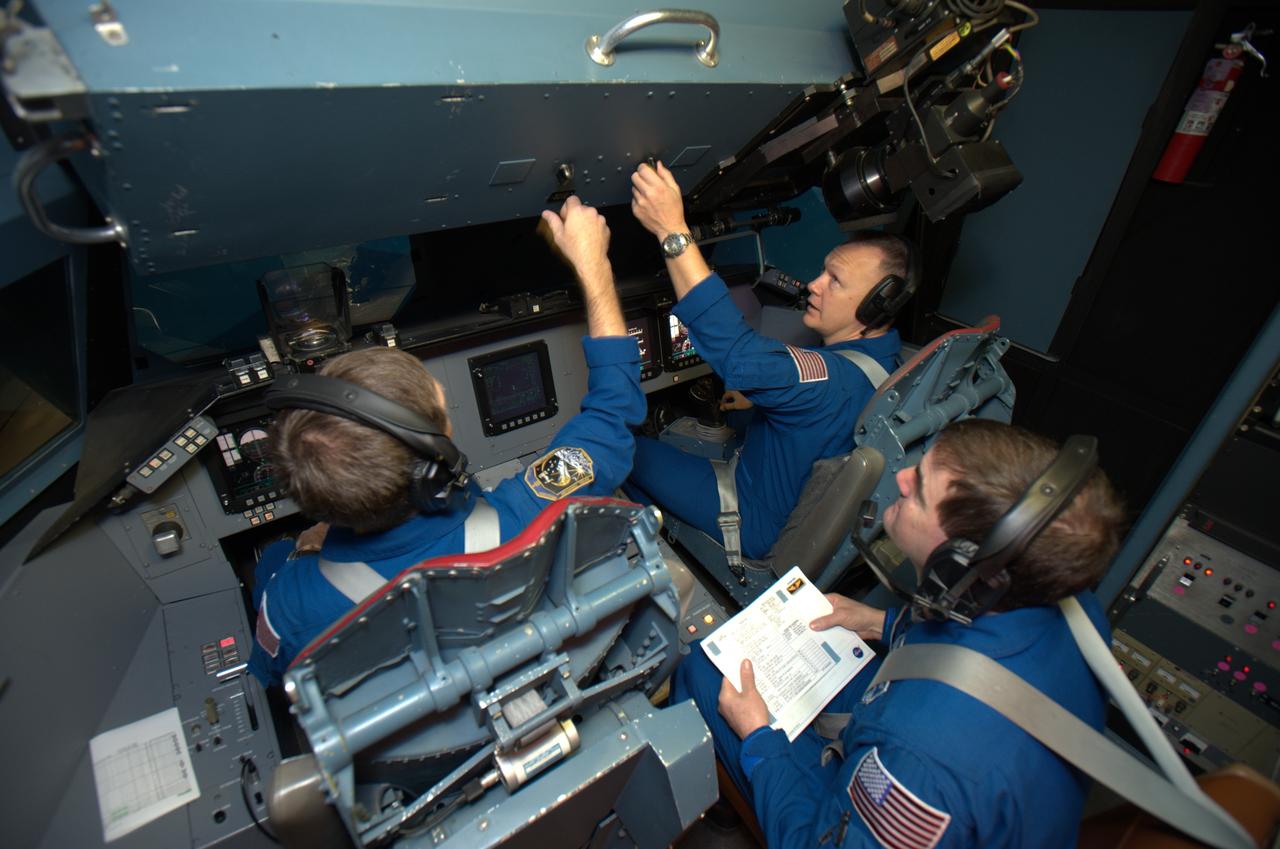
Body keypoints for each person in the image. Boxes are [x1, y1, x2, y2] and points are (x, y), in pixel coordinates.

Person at [671, 419, 1127, 848]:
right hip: (944, 723)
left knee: (704, 672)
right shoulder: (1065, 602)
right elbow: (963, 643)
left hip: (917, 757)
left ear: (960, 563)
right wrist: (879, 623)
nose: (903, 477)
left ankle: (725, 806)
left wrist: (758, 737)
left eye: (920, 490)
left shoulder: (921, 765)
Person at [248, 196, 645, 687]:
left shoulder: (288, 606)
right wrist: (593, 263)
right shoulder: (523, 515)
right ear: (436, 465)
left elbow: (270, 674)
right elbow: (613, 415)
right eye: (442, 415)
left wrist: (303, 553)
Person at [628, 161, 908, 562]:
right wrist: (760, 403)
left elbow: (737, 356)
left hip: (749, 516)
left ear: (874, 305)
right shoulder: (885, 359)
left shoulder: (828, 380)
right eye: (824, 271)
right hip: (771, 482)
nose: (814, 284)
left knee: (624, 447)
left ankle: (656, 554)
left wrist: (671, 228)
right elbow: (816, 411)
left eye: (836, 281)